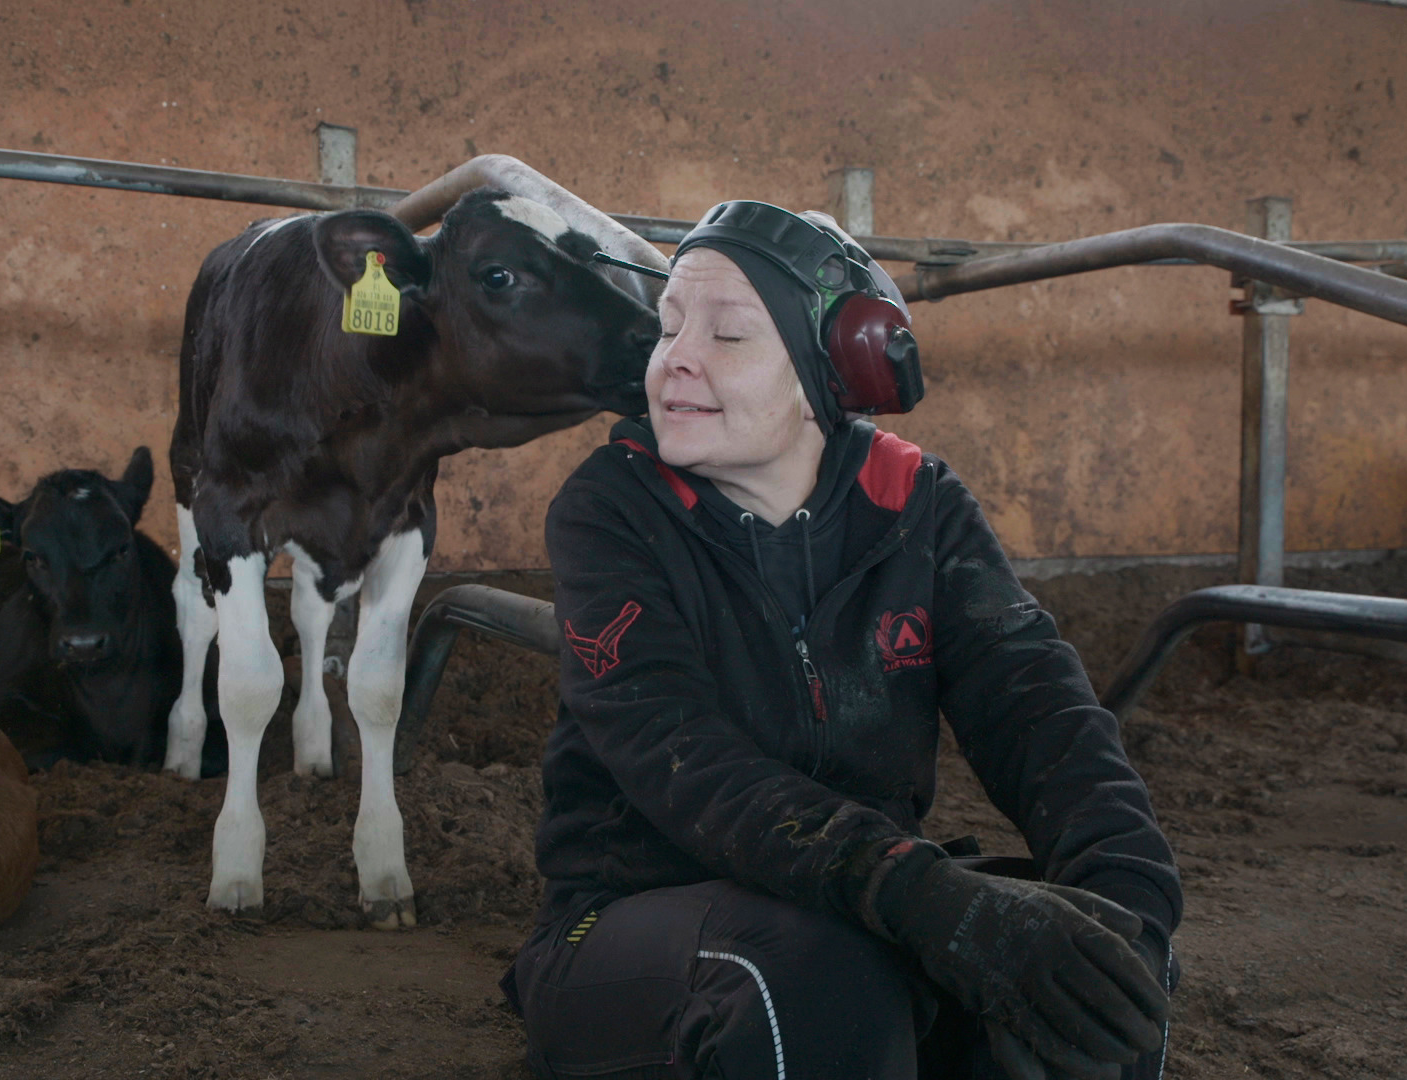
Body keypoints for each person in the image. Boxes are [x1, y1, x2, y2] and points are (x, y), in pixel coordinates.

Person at [506, 201, 1182, 1080]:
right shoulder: (613, 511)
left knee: (1078, 958)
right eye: (669, 327)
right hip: (631, 920)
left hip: (857, 899)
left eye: (728, 336)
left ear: (833, 372)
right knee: (817, 974)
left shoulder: (917, 503)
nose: (675, 358)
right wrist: (911, 890)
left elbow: (1041, 711)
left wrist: (1130, 907)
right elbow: (684, 758)